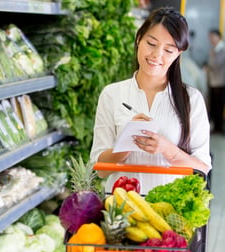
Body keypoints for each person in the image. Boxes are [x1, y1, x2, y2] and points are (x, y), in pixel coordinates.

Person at [90, 6, 212, 194]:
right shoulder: (112, 94)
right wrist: (125, 144)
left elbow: (202, 168)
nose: (157, 55)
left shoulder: (191, 99)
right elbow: (100, 170)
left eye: (168, 50)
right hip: (120, 211)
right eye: (151, 44)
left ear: (178, 53)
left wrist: (167, 149)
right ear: (139, 39)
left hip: (171, 212)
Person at [206, 29, 225, 134]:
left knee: (218, 105)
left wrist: (209, 65)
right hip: (214, 81)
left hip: (220, 82)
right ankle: (216, 127)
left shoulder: (221, 49)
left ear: (219, 37)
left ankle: (219, 127)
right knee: (214, 105)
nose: (211, 39)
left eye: (213, 37)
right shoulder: (215, 49)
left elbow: (215, 64)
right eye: (210, 37)